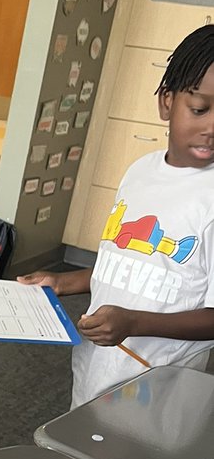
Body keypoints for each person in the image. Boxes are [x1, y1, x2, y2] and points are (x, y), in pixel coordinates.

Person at [19, 23, 214, 409]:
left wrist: (134, 323)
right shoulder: (139, 171)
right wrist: (64, 282)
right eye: (199, 109)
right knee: (79, 452)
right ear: (166, 102)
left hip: (161, 385)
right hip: (100, 365)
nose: (212, 127)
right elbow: (129, 266)